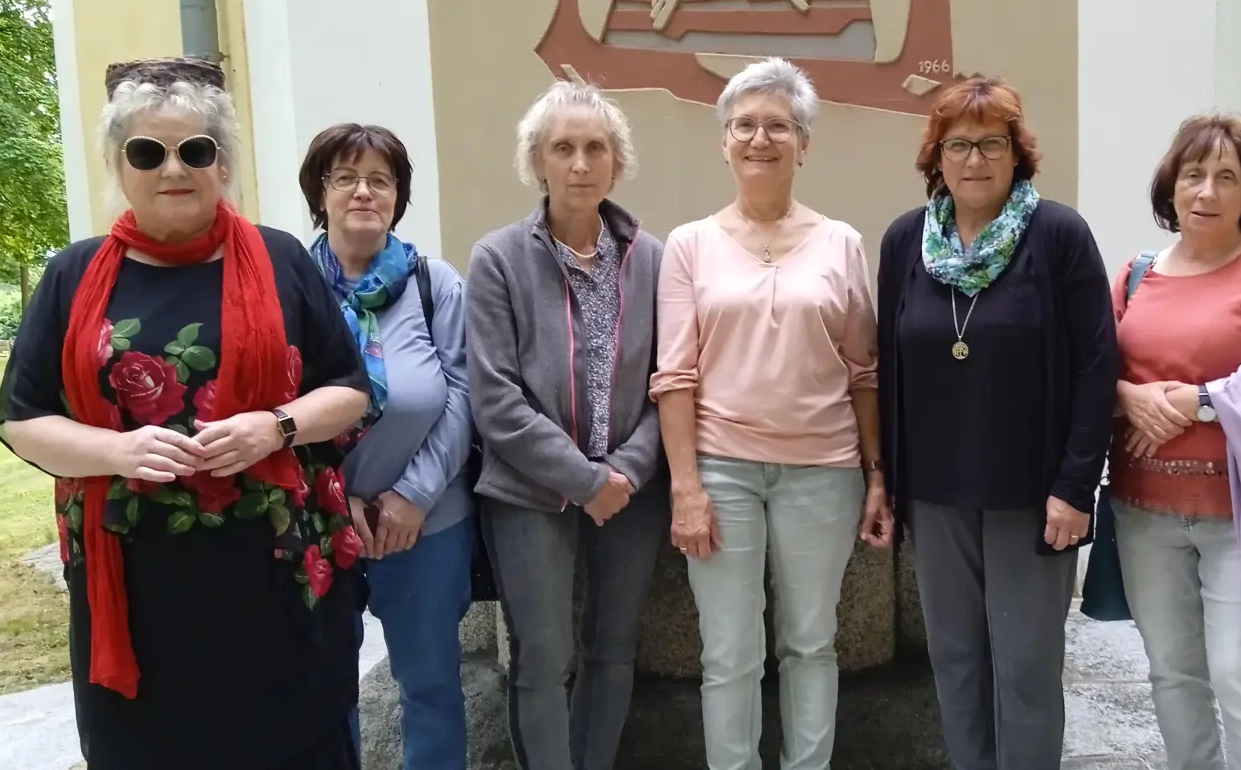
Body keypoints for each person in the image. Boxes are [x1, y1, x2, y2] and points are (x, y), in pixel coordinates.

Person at [0, 57, 370, 770]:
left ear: (221, 163)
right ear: (119, 164)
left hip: (272, 582)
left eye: (196, 149)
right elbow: (21, 416)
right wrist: (118, 453)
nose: (174, 168)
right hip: (136, 594)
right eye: (147, 152)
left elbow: (349, 388)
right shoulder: (74, 273)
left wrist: (276, 425)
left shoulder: (283, 259)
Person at [652, 56, 894, 770]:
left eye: (778, 126)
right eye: (745, 125)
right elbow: (674, 375)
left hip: (823, 471)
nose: (761, 138)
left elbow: (864, 372)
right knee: (728, 652)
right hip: (721, 470)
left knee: (811, 644)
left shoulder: (841, 243)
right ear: (724, 140)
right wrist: (686, 487)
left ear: (804, 144)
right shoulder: (690, 245)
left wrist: (875, 474)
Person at [874, 76, 1116, 770]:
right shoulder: (904, 243)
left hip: (1033, 496)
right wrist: (888, 483)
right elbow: (889, 370)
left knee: (1025, 667)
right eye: (958, 144)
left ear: (1016, 154)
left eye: (991, 143)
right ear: (936, 158)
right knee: (953, 661)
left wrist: (1076, 487)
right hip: (936, 493)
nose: (974, 159)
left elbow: (1097, 366)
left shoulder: (1058, 235)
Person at [1109, 114, 1241, 770]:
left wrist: (1201, 401)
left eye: (1225, 177)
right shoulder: (1136, 276)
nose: (1206, 191)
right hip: (1143, 510)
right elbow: (1095, 370)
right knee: (1172, 674)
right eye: (1193, 174)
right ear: (1171, 186)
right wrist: (1128, 397)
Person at [467, 80, 669, 770]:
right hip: (531, 492)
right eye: (564, 148)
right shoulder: (497, 259)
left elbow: (667, 383)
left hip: (631, 490)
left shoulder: (655, 258)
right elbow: (495, 398)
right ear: (538, 162)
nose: (580, 163)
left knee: (613, 647)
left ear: (617, 162)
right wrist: (583, 480)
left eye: (595, 148)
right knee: (543, 656)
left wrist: (628, 471)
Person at [298, 122, 474, 770]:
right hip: (318, 520)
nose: (364, 192)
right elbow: (274, 409)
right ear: (322, 192)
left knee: (429, 687)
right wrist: (337, 500)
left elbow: (463, 396)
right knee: (323, 689)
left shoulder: (435, 284)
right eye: (346, 178)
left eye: (381, 179)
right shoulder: (289, 288)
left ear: (399, 195)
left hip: (424, 524)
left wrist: (412, 496)